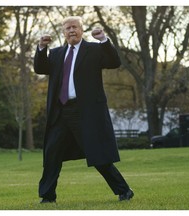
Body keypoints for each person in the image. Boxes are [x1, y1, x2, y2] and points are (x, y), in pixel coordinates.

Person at [34, 16, 134, 203]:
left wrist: (104, 40)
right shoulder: (55, 54)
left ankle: (124, 190)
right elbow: (40, 68)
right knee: (51, 154)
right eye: (67, 28)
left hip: (85, 112)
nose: (71, 30)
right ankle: (47, 197)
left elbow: (114, 62)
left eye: (75, 27)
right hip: (61, 112)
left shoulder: (94, 50)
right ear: (63, 33)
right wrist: (41, 48)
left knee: (97, 155)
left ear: (81, 30)